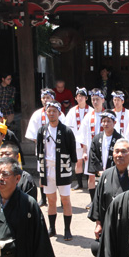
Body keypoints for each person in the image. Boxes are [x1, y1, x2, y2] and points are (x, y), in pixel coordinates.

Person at [89, 139, 129, 257]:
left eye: (124, 151)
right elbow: (99, 201)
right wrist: (98, 223)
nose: (119, 155)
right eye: (116, 151)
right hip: (109, 227)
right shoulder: (106, 175)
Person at [35, 101, 77, 241]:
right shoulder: (42, 131)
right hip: (47, 169)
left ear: (59, 113)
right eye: (49, 111)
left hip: (62, 168)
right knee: (51, 200)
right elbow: (39, 151)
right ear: (46, 112)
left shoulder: (66, 131)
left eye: (54, 111)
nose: (51, 113)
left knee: (65, 199)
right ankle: (52, 228)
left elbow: (72, 151)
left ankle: (67, 229)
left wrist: (73, 164)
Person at [26, 88, 67, 206]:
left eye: (48, 97)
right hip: (42, 150)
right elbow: (33, 134)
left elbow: (65, 132)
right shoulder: (36, 114)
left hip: (58, 150)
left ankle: (62, 199)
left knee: (59, 175)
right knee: (42, 175)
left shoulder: (60, 114)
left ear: (53, 98)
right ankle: (44, 199)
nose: (45, 100)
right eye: (43, 98)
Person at [78, 89, 107, 208]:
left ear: (102, 100)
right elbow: (84, 135)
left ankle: (104, 200)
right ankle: (93, 200)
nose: (95, 102)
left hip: (105, 149)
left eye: (97, 99)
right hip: (92, 150)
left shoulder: (108, 114)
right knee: (91, 176)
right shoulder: (88, 116)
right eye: (93, 99)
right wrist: (84, 152)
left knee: (105, 176)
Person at [64, 87, 92, 191]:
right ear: (75, 98)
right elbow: (67, 126)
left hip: (88, 141)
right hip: (76, 141)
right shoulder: (72, 111)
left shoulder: (91, 110)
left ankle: (90, 183)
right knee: (78, 162)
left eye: (82, 96)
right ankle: (79, 183)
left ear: (86, 98)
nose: (80, 98)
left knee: (89, 163)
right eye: (78, 96)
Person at [88, 110, 123, 178]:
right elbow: (93, 155)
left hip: (115, 175)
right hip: (100, 174)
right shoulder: (96, 139)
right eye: (104, 121)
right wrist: (98, 171)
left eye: (108, 121)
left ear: (114, 123)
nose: (106, 124)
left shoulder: (120, 139)